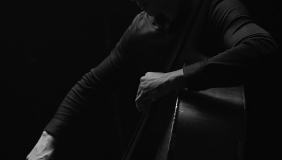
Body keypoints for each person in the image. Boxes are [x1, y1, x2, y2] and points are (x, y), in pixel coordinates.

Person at [26, 0, 280, 159]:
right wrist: (49, 138)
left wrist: (175, 77)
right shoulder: (140, 31)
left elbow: (261, 47)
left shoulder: (216, 7)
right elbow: (91, 86)